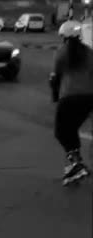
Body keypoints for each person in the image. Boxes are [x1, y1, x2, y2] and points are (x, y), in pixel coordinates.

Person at [49, 20, 93, 186]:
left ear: (64, 37)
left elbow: (55, 77)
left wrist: (55, 96)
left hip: (69, 97)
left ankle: (76, 163)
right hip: (89, 98)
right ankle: (75, 164)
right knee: (72, 129)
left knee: (61, 132)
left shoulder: (62, 52)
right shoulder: (89, 52)